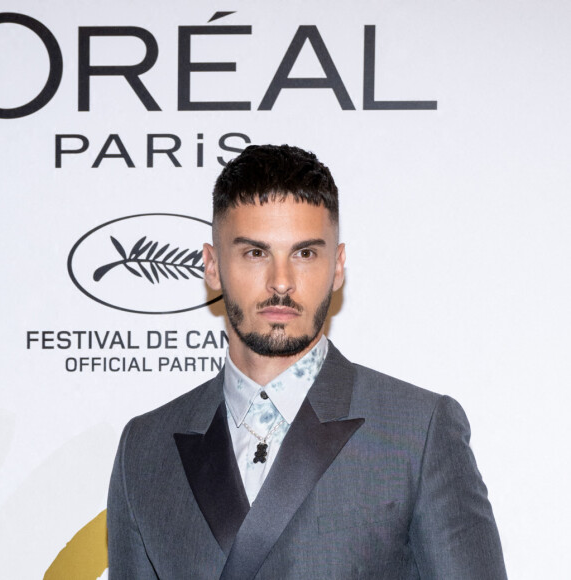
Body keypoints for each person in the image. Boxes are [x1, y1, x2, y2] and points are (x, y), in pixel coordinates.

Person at [107, 144, 507, 579]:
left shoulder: (418, 433)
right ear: (212, 267)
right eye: (255, 253)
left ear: (337, 267)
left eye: (305, 253)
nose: (282, 282)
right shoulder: (145, 449)